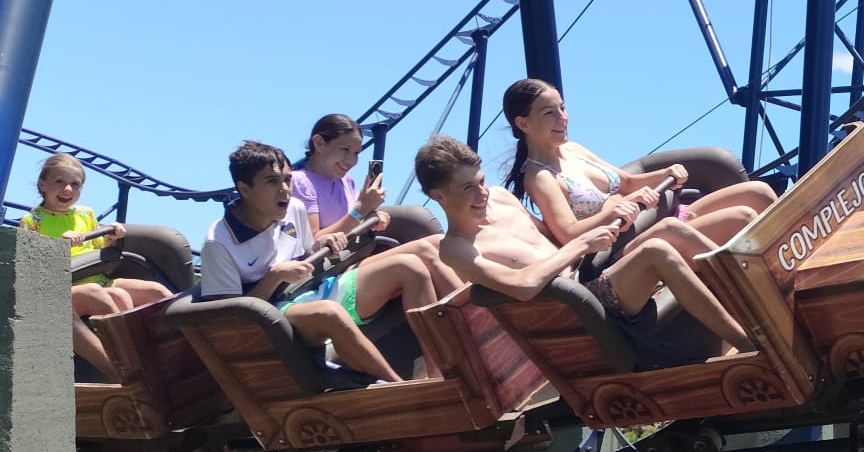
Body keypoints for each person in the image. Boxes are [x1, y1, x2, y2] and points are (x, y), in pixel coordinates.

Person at [416, 134, 754, 355]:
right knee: (657, 250)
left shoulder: (502, 198)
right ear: (438, 196)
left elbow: (554, 236)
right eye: (468, 189)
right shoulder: (456, 248)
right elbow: (523, 285)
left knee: (689, 224)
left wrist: (609, 218)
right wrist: (580, 245)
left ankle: (766, 300)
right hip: (578, 312)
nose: (482, 194)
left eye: (481, 182)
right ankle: (749, 342)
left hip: (596, 271)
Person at [199, 141, 449, 383]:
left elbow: (309, 252)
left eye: (287, 179)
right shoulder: (218, 243)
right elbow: (231, 323)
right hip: (276, 317)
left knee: (410, 266)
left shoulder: (293, 208)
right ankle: (399, 390)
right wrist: (273, 277)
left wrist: (322, 244)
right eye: (272, 182)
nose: (285, 189)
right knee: (329, 312)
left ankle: (441, 376)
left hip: (314, 286)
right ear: (244, 190)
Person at [501, 78, 776, 262]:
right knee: (742, 217)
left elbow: (627, 182)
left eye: (562, 108)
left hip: (658, 219)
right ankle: (776, 286)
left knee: (760, 192)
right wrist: (615, 210)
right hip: (626, 246)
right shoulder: (539, 177)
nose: (563, 117)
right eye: (550, 113)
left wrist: (666, 173)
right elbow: (569, 234)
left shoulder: (573, 149)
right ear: (524, 124)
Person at [21, 153, 174, 379]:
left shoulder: (86, 214)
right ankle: (135, 367)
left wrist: (112, 237)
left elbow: (97, 245)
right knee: (100, 295)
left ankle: (177, 357)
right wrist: (56, 246)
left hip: (99, 278)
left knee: (156, 292)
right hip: (63, 286)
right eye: (59, 182)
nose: (68, 190)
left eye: (76, 185)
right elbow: (26, 268)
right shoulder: (33, 222)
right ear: (43, 184)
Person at [291, 113, 462, 299]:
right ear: (319, 143)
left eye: (356, 153)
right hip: (326, 269)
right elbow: (314, 241)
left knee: (437, 242)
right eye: (345, 150)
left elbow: (354, 221)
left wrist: (373, 218)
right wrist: (361, 210)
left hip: (354, 254)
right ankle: (468, 310)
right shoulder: (300, 182)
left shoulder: (345, 181)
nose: (351, 161)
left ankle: (470, 305)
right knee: (423, 251)